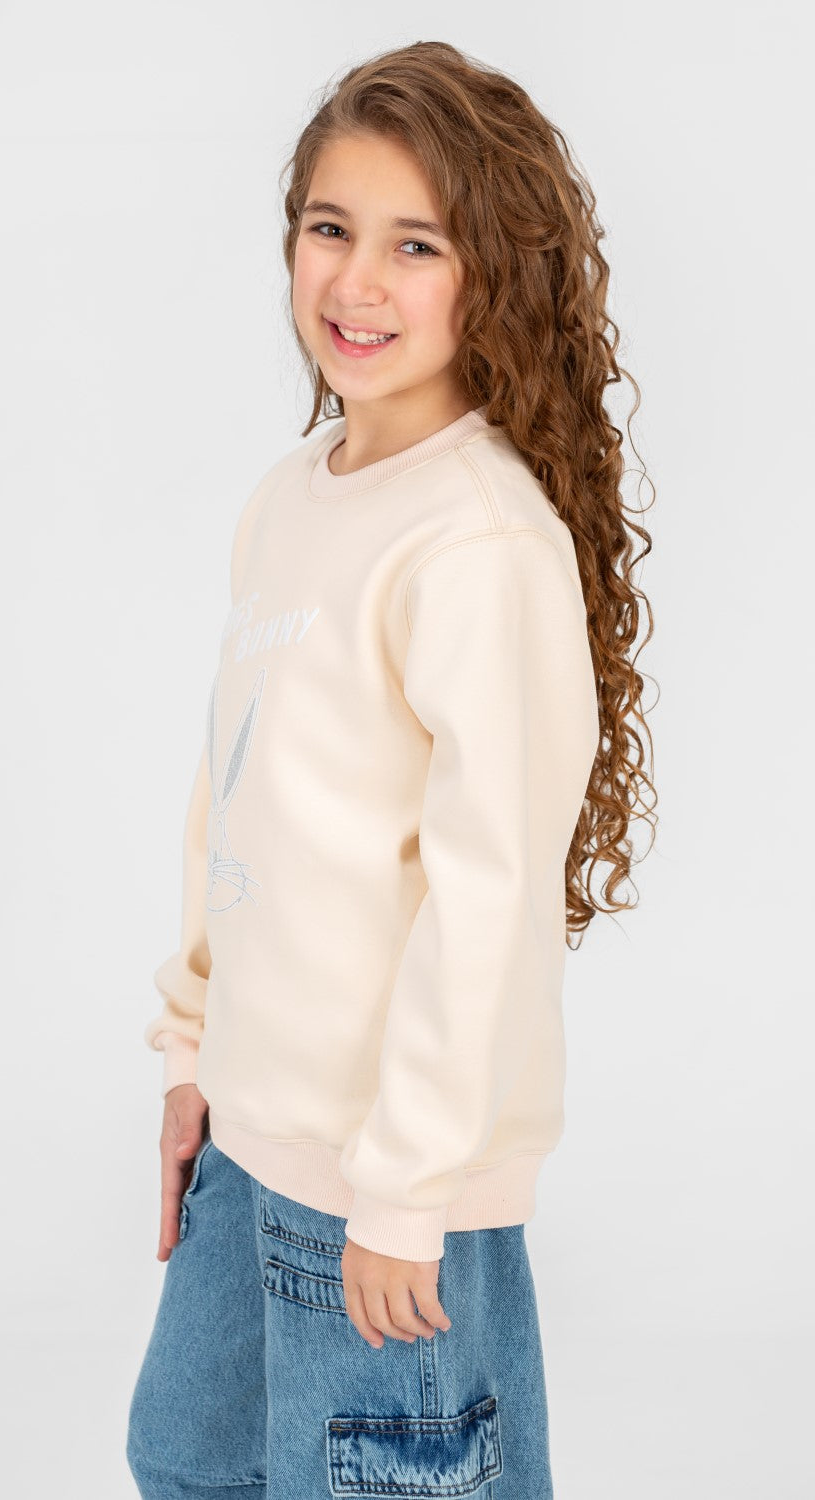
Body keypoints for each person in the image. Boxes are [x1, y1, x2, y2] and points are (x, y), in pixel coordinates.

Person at [127, 39, 656, 1500]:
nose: (356, 282)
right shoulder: (290, 502)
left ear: (497, 274)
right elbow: (234, 795)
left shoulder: (477, 542)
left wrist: (409, 1191)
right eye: (331, 228)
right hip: (254, 1143)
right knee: (186, 1457)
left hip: (381, 1180)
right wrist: (192, 1052)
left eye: (416, 245)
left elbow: (487, 900)